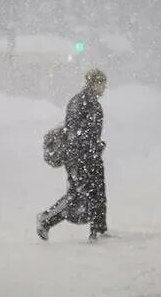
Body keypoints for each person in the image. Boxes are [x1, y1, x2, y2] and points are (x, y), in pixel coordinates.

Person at [37, 68, 109, 241]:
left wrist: (96, 146)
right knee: (77, 196)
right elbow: (74, 134)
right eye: (101, 83)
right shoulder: (79, 102)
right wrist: (82, 153)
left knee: (98, 192)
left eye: (104, 84)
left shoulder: (95, 104)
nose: (104, 87)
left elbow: (91, 133)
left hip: (92, 156)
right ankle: (46, 220)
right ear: (93, 83)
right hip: (78, 159)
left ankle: (99, 229)